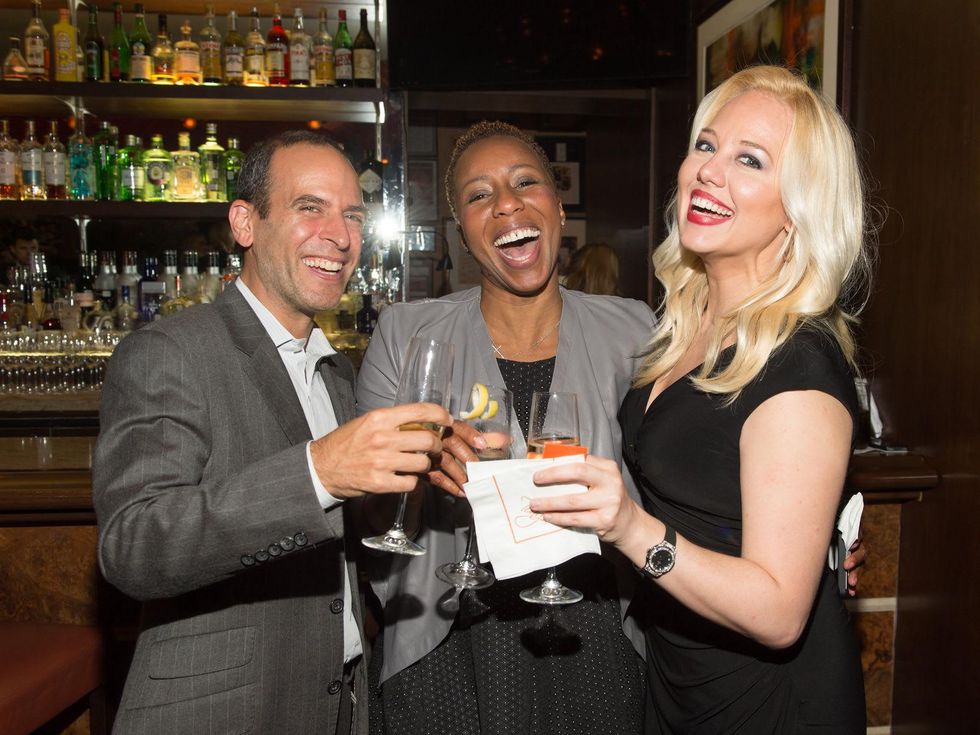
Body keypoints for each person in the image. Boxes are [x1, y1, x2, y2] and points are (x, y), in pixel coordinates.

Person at [532, 66, 870, 732]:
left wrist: (628, 526)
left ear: (798, 210)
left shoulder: (796, 362)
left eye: (750, 160)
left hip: (768, 702)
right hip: (679, 675)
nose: (709, 171)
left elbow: (778, 612)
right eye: (707, 145)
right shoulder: (684, 329)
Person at [92, 131, 451, 735]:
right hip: (224, 711)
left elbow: (344, 541)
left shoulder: (334, 371)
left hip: (338, 701)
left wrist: (410, 488)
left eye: (353, 215)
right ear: (245, 224)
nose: (340, 236)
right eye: (310, 208)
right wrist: (318, 473)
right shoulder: (169, 351)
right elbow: (134, 548)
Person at [356, 121, 656, 734]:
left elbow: (691, 466)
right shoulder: (407, 334)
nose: (507, 203)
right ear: (461, 233)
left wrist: (815, 535)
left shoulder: (634, 332)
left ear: (557, 204)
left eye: (526, 183)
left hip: (589, 630)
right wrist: (418, 476)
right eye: (478, 195)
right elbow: (370, 524)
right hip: (451, 635)